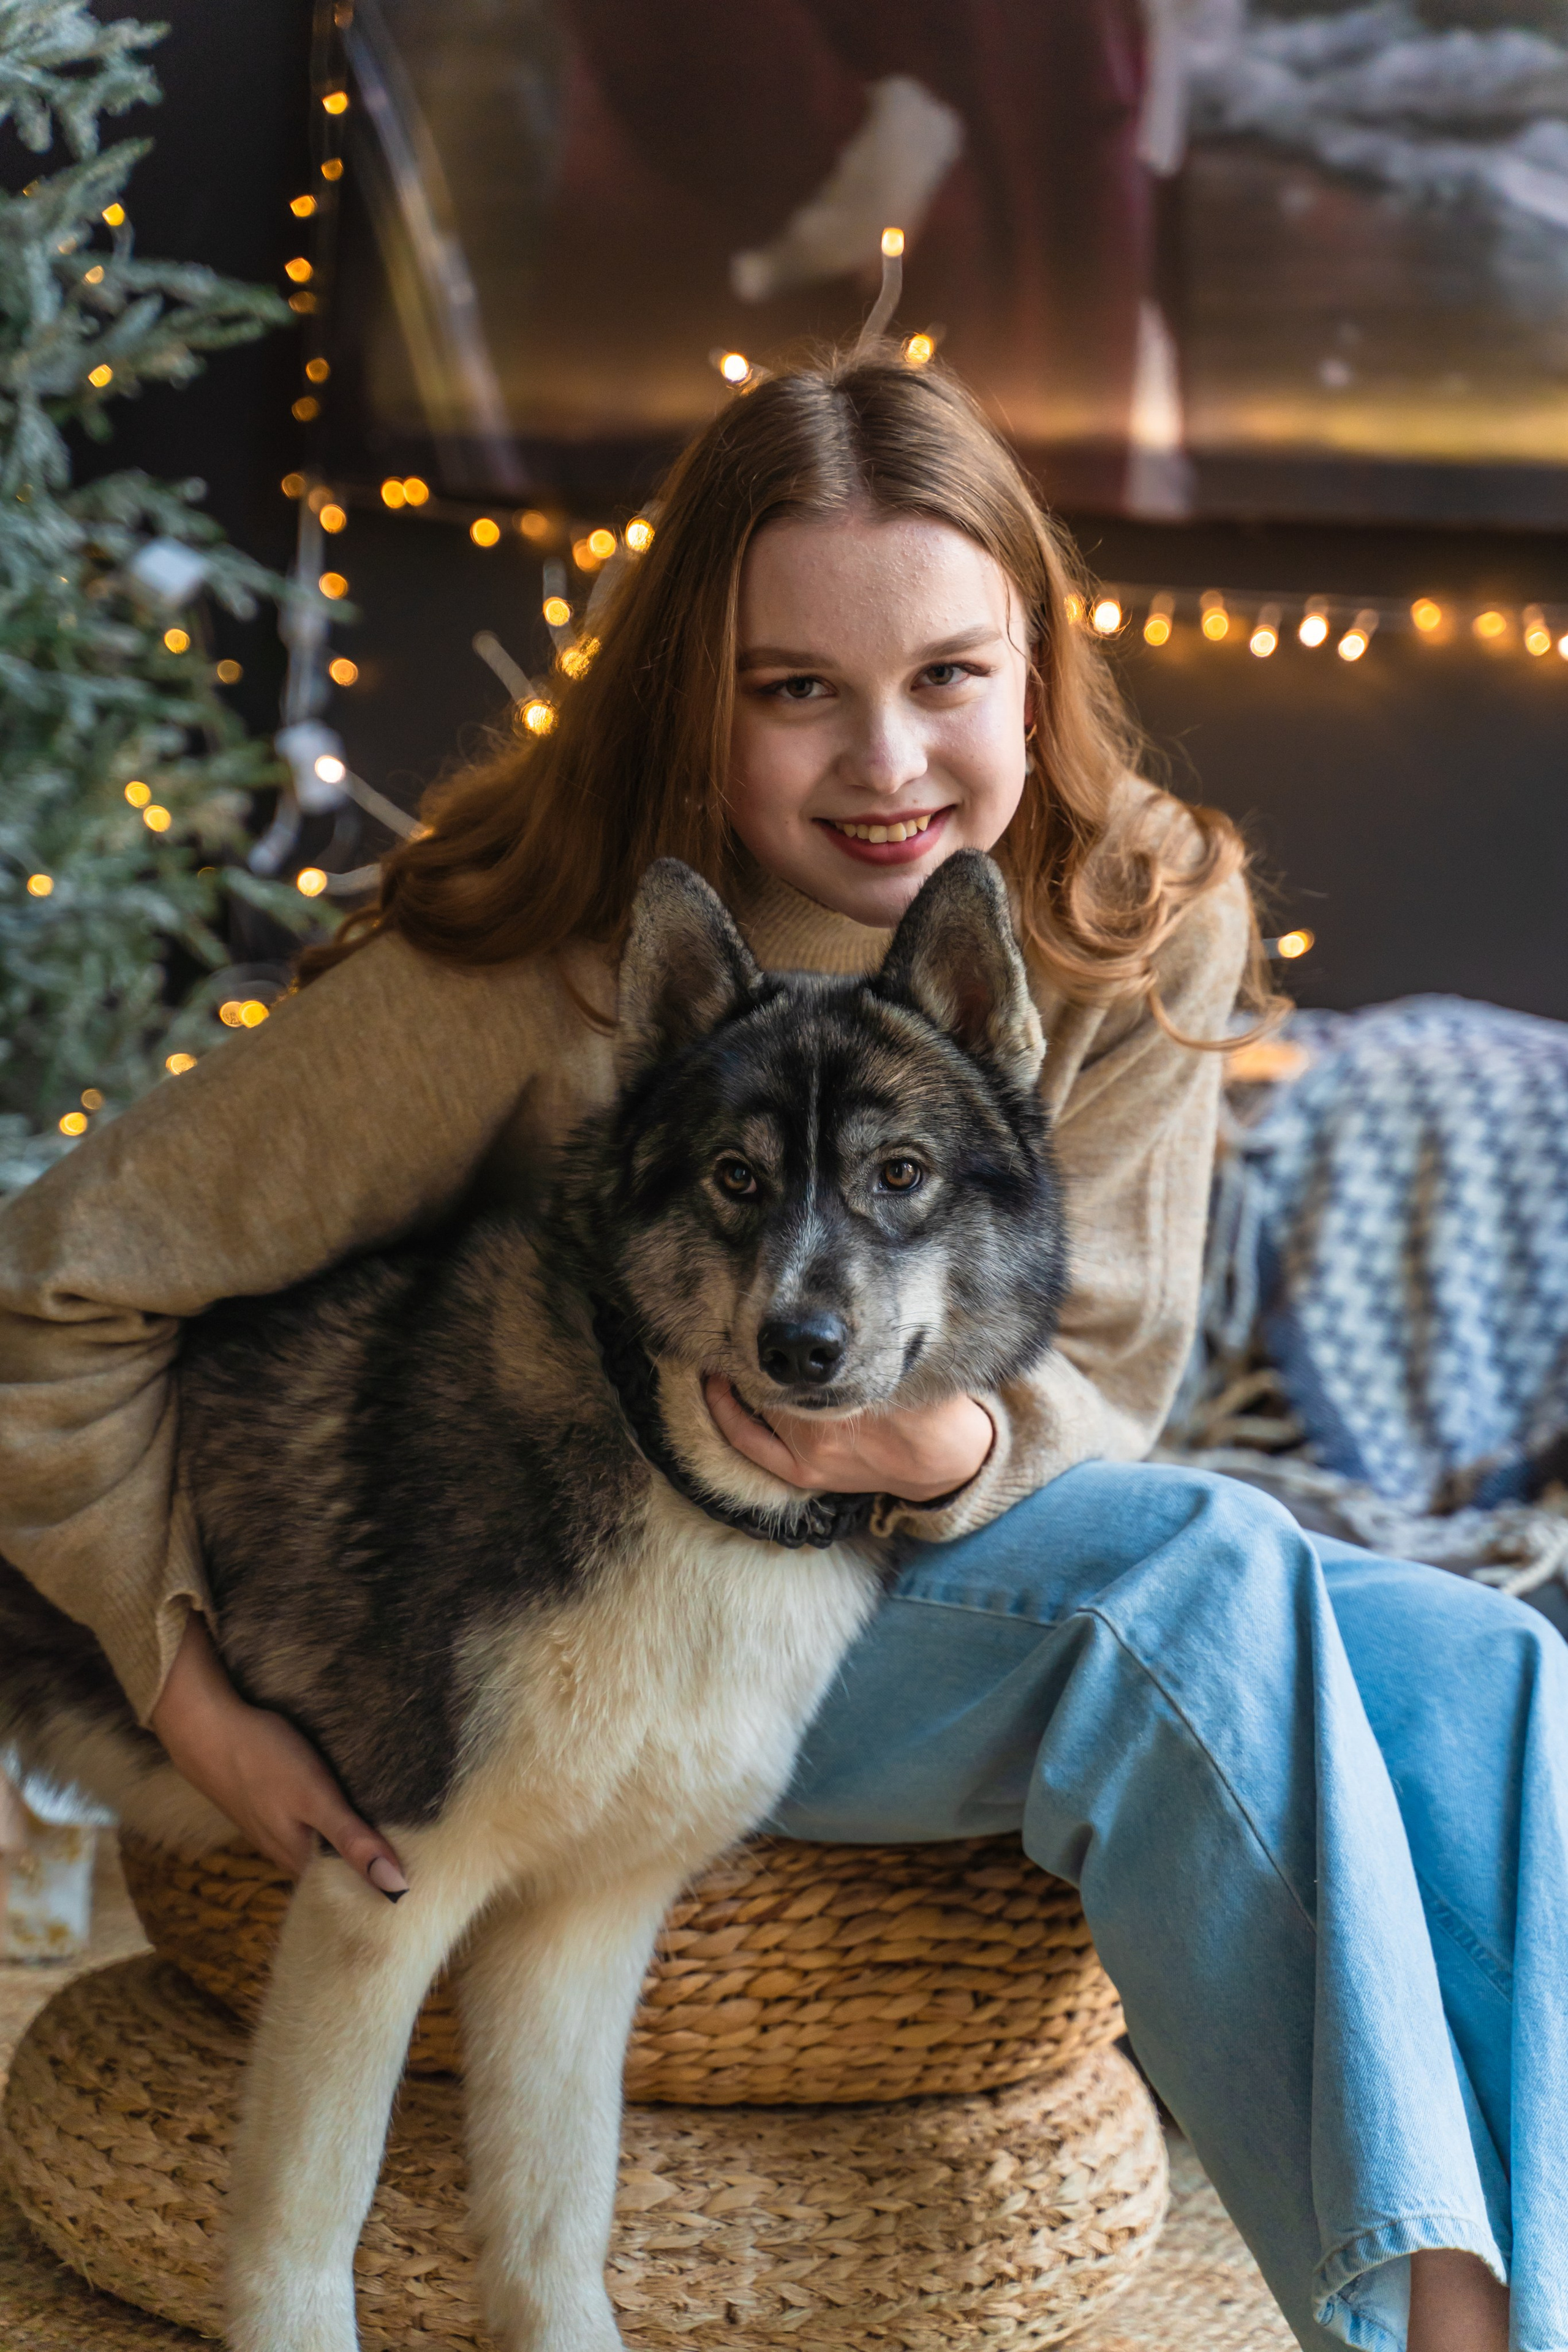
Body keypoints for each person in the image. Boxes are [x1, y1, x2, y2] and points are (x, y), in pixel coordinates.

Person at [0, 354, 1556, 2352]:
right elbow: (50, 1288)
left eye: (949, 676)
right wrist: (177, 1665)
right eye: (794, 688)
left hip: (947, 1559)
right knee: (1208, 1579)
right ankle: (1426, 2331)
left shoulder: (1139, 903)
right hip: (633, 1612)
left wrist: (937, 1455)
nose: (887, 761)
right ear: (693, 698)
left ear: (1038, 661)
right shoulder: (547, 951)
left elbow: (1110, 1371)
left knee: (1489, 1671)